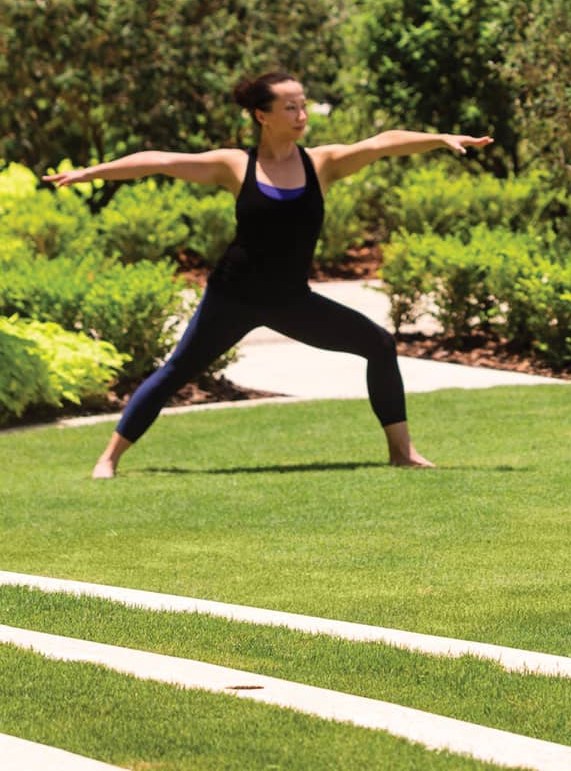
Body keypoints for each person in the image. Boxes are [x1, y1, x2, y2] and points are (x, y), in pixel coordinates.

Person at [44, 70, 491, 479]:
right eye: (290, 108)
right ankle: (109, 458)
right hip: (232, 296)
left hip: (291, 300)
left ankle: (402, 452)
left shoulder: (322, 163)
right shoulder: (236, 165)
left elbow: (381, 142)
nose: (301, 115)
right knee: (178, 370)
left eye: (303, 105)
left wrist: (439, 138)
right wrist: (90, 173)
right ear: (262, 116)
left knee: (378, 344)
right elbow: (159, 160)